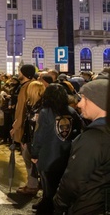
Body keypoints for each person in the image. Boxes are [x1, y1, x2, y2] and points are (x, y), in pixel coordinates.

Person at [54, 78, 110, 214]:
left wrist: (59, 204)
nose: (79, 104)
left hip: (88, 206)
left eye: (84, 99)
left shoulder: (94, 138)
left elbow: (73, 181)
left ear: (99, 102)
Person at [30, 83, 83, 214]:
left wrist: (34, 153)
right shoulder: (71, 111)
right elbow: (79, 130)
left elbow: (39, 135)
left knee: (48, 186)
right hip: (65, 154)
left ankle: (48, 207)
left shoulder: (45, 112)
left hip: (48, 155)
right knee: (59, 184)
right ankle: (49, 203)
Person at [10, 64, 39, 196]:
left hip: (26, 129)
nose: (18, 74)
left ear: (25, 73)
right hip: (26, 127)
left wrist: (16, 126)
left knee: (28, 156)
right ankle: (32, 183)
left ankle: (32, 185)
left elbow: (23, 110)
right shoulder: (28, 86)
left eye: (19, 72)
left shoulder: (29, 87)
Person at [18, 80, 46, 197]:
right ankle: (32, 183)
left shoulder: (41, 108)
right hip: (30, 139)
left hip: (35, 141)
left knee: (33, 164)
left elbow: (37, 128)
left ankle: (33, 186)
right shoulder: (32, 105)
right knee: (29, 163)